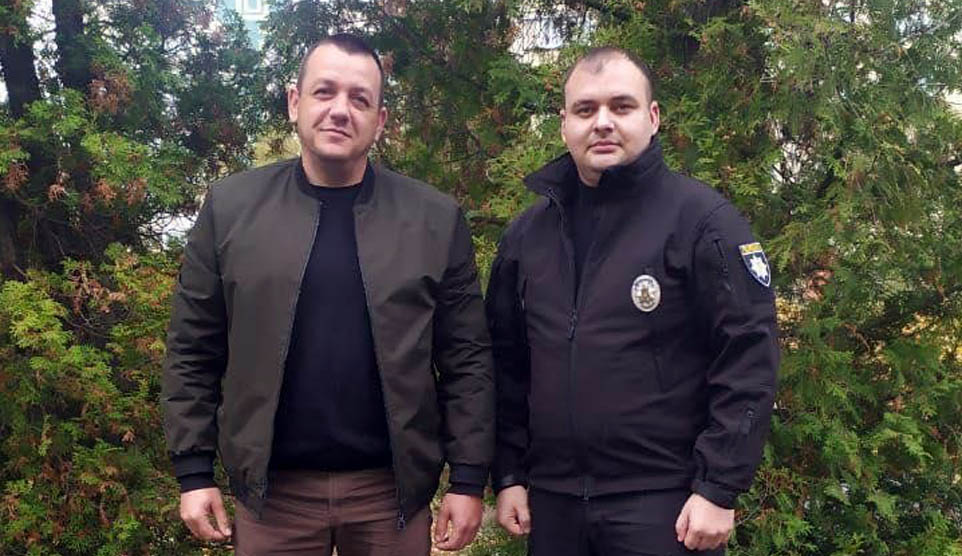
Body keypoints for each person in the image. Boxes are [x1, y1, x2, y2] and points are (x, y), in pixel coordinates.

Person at [162, 33, 494, 555]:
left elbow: (467, 359)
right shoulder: (230, 210)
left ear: (379, 121)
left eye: (360, 99)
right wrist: (193, 471)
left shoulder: (433, 220)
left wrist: (469, 478)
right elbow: (191, 348)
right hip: (273, 499)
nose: (340, 110)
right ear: (295, 102)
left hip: (390, 497)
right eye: (324, 92)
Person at [486, 46, 779, 555]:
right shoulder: (527, 236)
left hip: (665, 505)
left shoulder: (703, 223)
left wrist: (718, 486)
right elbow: (506, 363)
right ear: (564, 125)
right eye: (585, 109)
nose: (602, 122)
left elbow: (749, 358)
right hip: (554, 505)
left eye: (621, 106)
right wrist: (509, 472)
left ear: (653, 117)